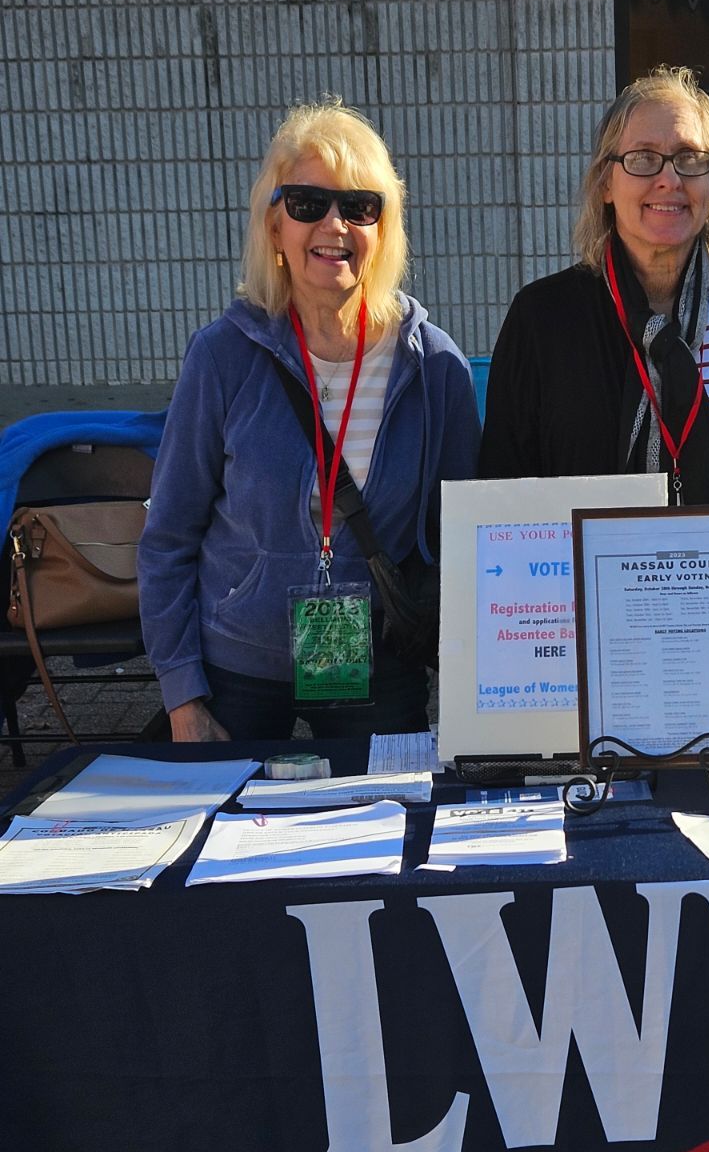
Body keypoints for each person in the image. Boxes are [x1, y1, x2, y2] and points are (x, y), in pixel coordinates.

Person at [139, 100, 479, 741]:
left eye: (359, 206)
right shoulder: (222, 356)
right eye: (307, 204)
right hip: (235, 668)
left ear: (384, 228)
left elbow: (460, 544)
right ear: (274, 227)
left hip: (376, 669)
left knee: (382, 834)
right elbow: (169, 537)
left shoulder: (436, 369)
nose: (335, 224)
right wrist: (182, 695)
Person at [478, 67, 709, 548]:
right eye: (644, 159)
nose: (669, 179)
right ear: (606, 182)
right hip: (585, 610)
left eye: (690, 159)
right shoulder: (542, 320)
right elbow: (503, 492)